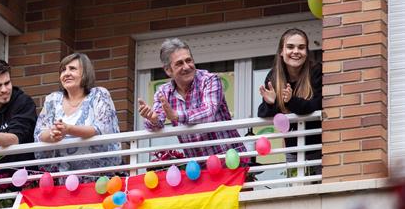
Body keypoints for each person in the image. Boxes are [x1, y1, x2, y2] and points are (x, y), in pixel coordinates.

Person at [138, 38, 245, 159]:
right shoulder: (163, 92)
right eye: (179, 63)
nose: (186, 66)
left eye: (189, 60)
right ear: (168, 70)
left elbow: (209, 113)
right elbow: (157, 124)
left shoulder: (209, 80)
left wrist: (176, 116)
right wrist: (153, 120)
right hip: (198, 169)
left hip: (231, 161)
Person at [34, 52, 121, 178]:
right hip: (63, 179)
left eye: (72, 69)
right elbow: (39, 134)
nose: (66, 73)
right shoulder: (52, 100)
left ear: (85, 73)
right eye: (63, 70)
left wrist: (68, 129)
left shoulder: (99, 95)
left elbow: (101, 129)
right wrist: (53, 134)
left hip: (99, 178)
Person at [257, 28, 322, 171]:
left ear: (307, 52)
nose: (296, 51)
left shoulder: (316, 71)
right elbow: (262, 113)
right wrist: (270, 103)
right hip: (292, 150)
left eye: (301, 47)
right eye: (290, 47)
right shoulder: (274, 76)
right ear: (281, 51)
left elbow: (316, 105)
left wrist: (291, 101)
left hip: (319, 147)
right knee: (296, 190)